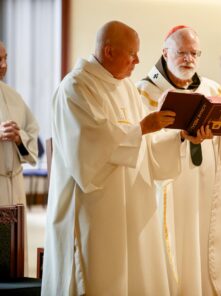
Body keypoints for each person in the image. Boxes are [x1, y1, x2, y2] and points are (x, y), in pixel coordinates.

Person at [41, 21, 182, 295]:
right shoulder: (76, 87)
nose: (138, 61)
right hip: (93, 208)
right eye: (132, 54)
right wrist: (141, 127)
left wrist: (180, 137)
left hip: (130, 205)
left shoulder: (126, 86)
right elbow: (89, 144)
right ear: (108, 52)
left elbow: (147, 142)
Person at [137, 25, 221, 296]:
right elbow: (143, 146)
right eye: (182, 53)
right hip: (172, 189)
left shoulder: (212, 88)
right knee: (179, 249)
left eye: (194, 53)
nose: (189, 59)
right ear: (165, 52)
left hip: (207, 189)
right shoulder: (146, 93)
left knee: (206, 247)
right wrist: (182, 137)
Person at [0, 40, 39, 275]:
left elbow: (32, 131)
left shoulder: (12, 95)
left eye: (6, 59)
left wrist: (19, 137)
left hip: (13, 184)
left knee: (11, 254)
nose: (4, 66)